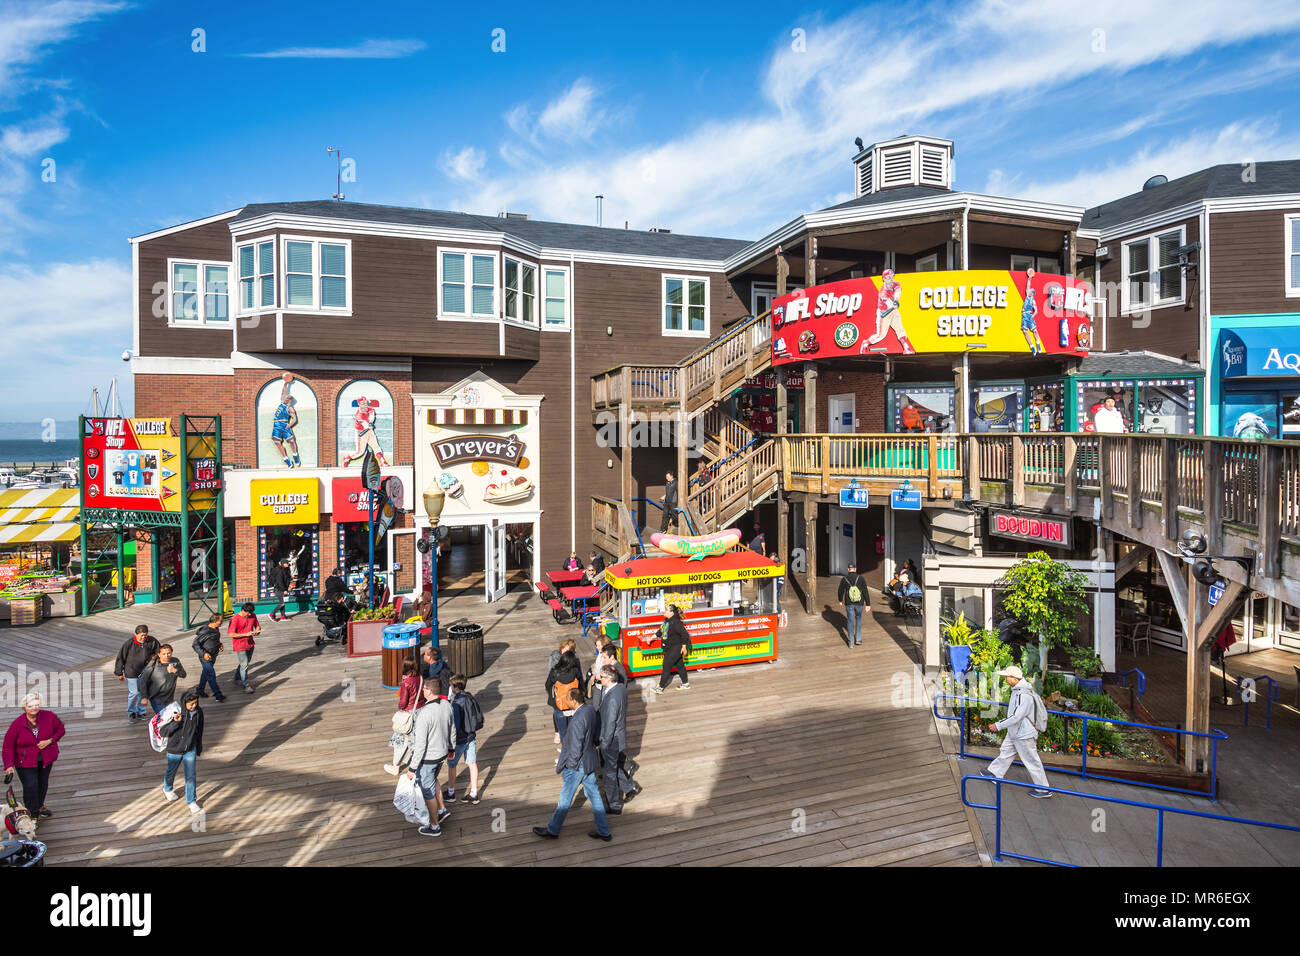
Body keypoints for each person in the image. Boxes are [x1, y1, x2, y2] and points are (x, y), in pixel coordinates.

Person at [532, 683, 611, 842]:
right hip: (588, 760)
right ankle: (604, 831)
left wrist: (570, 766)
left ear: (574, 701)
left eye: (567, 698)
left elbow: (575, 748)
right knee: (594, 795)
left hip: (577, 765)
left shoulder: (576, 722)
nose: (565, 700)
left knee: (565, 799)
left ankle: (553, 830)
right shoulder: (588, 710)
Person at [982, 665, 1053, 798]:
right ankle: (995, 773)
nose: (1005, 679)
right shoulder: (1021, 690)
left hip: (1023, 733)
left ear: (1014, 679)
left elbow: (1017, 716)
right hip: (1017, 731)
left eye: (1007, 677)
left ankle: (1043, 789)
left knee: (1031, 760)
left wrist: (998, 725)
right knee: (1006, 752)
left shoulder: (1022, 694)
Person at [3, 693, 65, 821]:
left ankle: (40, 806)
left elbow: (61, 730)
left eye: (37, 705)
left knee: (43, 784)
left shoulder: (49, 716)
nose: (34, 708)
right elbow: (8, 746)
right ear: (24, 707)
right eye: (30, 706)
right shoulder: (17, 724)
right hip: (24, 762)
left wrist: (50, 741)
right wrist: (8, 766)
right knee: (31, 786)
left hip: (45, 759)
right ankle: (33, 814)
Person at [406, 680, 455, 836]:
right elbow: (452, 728)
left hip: (428, 759)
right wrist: (451, 748)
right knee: (433, 780)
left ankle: (434, 826)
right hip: (442, 754)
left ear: (428, 691)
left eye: (424, 688)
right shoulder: (447, 705)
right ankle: (442, 809)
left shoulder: (424, 714)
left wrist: (412, 769)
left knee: (427, 792)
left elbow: (420, 746)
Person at [597, 665, 636, 814]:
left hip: (611, 740)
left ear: (608, 678)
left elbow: (610, 723)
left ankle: (614, 805)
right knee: (612, 765)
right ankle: (630, 787)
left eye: (601, 676)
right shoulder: (619, 688)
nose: (599, 679)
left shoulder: (613, 698)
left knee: (609, 773)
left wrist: (604, 744)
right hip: (616, 738)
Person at [159, 690, 204, 813]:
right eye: (190, 704)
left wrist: (198, 747)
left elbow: (199, 731)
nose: (193, 706)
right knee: (171, 771)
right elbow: (163, 732)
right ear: (184, 703)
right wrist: (175, 723)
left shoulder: (199, 712)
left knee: (190, 775)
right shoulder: (176, 713)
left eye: (195, 703)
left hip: (190, 749)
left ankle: (191, 801)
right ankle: (167, 788)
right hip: (174, 750)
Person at [444, 674, 481, 806]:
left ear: (455, 687)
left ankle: (450, 792)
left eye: (451, 685)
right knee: (472, 764)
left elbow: (456, 726)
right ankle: (474, 793)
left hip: (460, 740)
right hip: (471, 736)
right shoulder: (469, 697)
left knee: (452, 764)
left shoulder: (456, 704)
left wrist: (450, 747)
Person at [114, 624, 160, 722]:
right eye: (141, 635)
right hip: (131, 671)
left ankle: (141, 712)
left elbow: (158, 651)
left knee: (143, 692)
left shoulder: (152, 641)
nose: (143, 637)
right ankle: (131, 712)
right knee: (134, 692)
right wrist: (119, 672)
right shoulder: (128, 644)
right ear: (135, 634)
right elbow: (121, 657)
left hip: (145, 671)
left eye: (145, 635)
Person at [546, 650, 585, 751]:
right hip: (573, 704)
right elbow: (581, 684)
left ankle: (566, 752)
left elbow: (548, 686)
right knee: (574, 731)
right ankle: (575, 750)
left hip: (559, 706)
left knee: (563, 732)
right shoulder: (575, 671)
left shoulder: (555, 672)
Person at [653, 604, 692, 693]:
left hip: (676, 648)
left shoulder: (676, 622)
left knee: (666, 666)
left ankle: (660, 687)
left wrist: (684, 647)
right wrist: (652, 637)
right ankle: (685, 684)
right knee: (680, 665)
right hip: (670, 647)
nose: (665, 611)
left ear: (672, 613)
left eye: (667, 610)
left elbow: (685, 635)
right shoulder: (666, 620)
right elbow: (661, 631)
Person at [139, 644, 187, 715]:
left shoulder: (175, 661)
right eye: (164, 654)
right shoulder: (153, 664)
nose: (167, 655)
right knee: (164, 718)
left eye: (169, 653)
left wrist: (175, 671)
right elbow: (143, 680)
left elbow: (183, 675)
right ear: (159, 654)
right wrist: (144, 697)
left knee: (171, 718)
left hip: (169, 697)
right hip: (156, 697)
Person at [227, 602, 261, 693]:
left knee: (244, 663)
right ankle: (246, 685)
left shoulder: (252, 615)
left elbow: (257, 625)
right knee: (244, 665)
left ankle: (237, 678)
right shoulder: (235, 619)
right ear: (242, 610)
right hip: (240, 645)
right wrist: (246, 634)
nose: (249, 615)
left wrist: (257, 630)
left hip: (250, 644)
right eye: (248, 613)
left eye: (251, 613)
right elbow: (231, 634)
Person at [192, 613, 226, 702]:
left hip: (213, 655)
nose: (222, 622)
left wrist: (220, 644)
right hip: (205, 657)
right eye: (220, 620)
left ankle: (200, 690)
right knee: (211, 675)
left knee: (205, 673)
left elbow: (214, 639)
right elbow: (195, 644)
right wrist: (204, 654)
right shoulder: (205, 631)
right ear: (215, 621)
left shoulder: (215, 629)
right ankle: (218, 694)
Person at [270, 375, 301, 468]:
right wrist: (286, 383)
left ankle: (295, 456)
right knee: (277, 442)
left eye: (288, 398)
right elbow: (283, 392)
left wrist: (290, 424)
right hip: (276, 424)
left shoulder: (290, 408)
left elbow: (294, 418)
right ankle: (286, 459)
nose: (286, 398)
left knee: (291, 441)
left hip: (284, 425)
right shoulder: (282, 402)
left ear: (290, 401)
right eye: (286, 397)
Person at [838, 562, 868, 647]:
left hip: (849, 603)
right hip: (860, 603)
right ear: (855, 569)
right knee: (858, 619)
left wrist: (840, 600)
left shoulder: (844, 579)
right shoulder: (861, 578)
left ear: (848, 569)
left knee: (850, 621)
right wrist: (868, 604)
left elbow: (840, 590)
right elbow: (865, 591)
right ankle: (858, 639)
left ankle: (851, 642)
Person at [1019, 268, 1045, 356]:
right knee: (1025, 332)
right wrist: (1029, 278)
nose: (1029, 291)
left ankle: (1038, 344)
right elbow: (1028, 286)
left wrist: (1033, 315)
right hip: (1024, 315)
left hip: (1029, 315)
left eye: (1030, 291)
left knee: (1035, 331)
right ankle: (1032, 346)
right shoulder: (1027, 296)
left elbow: (1036, 310)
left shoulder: (1033, 300)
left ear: (1032, 293)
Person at [268, 557, 293, 622]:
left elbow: (287, 579)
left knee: (282, 603)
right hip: (279, 589)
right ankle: (272, 614)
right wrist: (284, 590)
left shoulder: (284, 570)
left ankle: (283, 616)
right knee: (282, 603)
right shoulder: (280, 571)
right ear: (283, 564)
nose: (288, 564)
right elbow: (280, 581)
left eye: (288, 563)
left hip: (281, 589)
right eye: (286, 563)